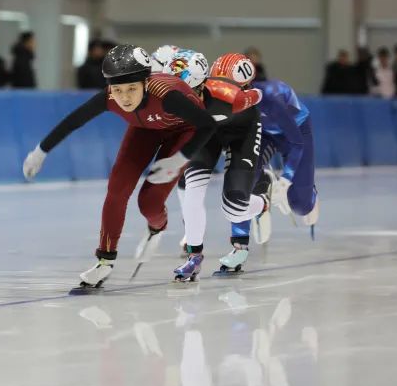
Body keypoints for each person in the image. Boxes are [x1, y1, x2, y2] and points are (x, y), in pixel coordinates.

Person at [22, 44, 218, 295]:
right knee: (117, 188)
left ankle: (158, 226)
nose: (124, 97)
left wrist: (180, 159)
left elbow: (207, 125)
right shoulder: (109, 97)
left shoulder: (166, 94)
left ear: (146, 83)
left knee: (148, 203)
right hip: (144, 130)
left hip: (182, 132)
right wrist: (40, 151)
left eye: (132, 89)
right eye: (118, 89)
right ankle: (104, 260)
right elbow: (73, 121)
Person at [168, 53, 271, 283]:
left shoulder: (229, 95)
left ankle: (263, 201)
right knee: (192, 187)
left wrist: (249, 94)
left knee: (233, 209)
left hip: (241, 132)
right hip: (210, 134)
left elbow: (258, 94)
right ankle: (194, 256)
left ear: (201, 85)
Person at [218, 77, 319, 275]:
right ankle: (239, 247)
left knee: (300, 205)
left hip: (296, 133)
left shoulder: (272, 98)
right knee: (239, 178)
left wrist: (286, 179)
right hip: (262, 134)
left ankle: (309, 193)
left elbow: (297, 144)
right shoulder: (224, 102)